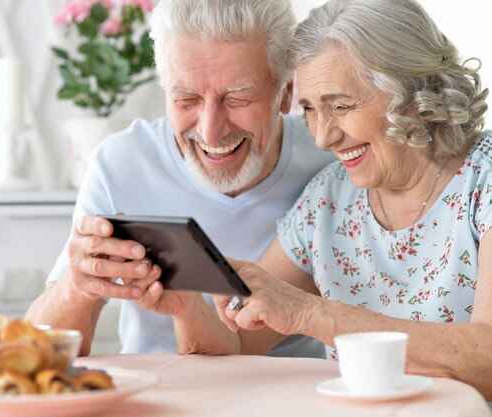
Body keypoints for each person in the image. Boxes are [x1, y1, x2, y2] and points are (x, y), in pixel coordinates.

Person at [133, 0, 492, 399]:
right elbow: (235, 345)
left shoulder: (483, 180)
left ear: (411, 92)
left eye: (340, 106)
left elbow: (487, 358)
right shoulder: (329, 199)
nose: (322, 137)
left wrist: (310, 312)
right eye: (310, 110)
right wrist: (185, 303)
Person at [25, 0, 334, 357]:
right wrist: (74, 288)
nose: (211, 131)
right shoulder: (122, 164)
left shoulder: (329, 160)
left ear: (286, 94)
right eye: (186, 98)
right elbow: (39, 352)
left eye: (238, 98)